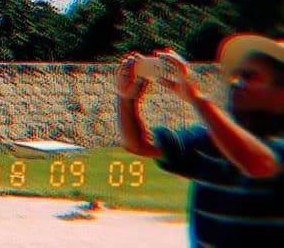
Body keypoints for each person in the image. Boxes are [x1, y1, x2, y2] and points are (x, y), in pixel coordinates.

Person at [116, 33, 284, 247]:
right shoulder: (210, 140)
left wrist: (195, 97)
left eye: (249, 76)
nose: (235, 83)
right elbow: (138, 145)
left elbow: (256, 163)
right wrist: (126, 98)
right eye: (238, 75)